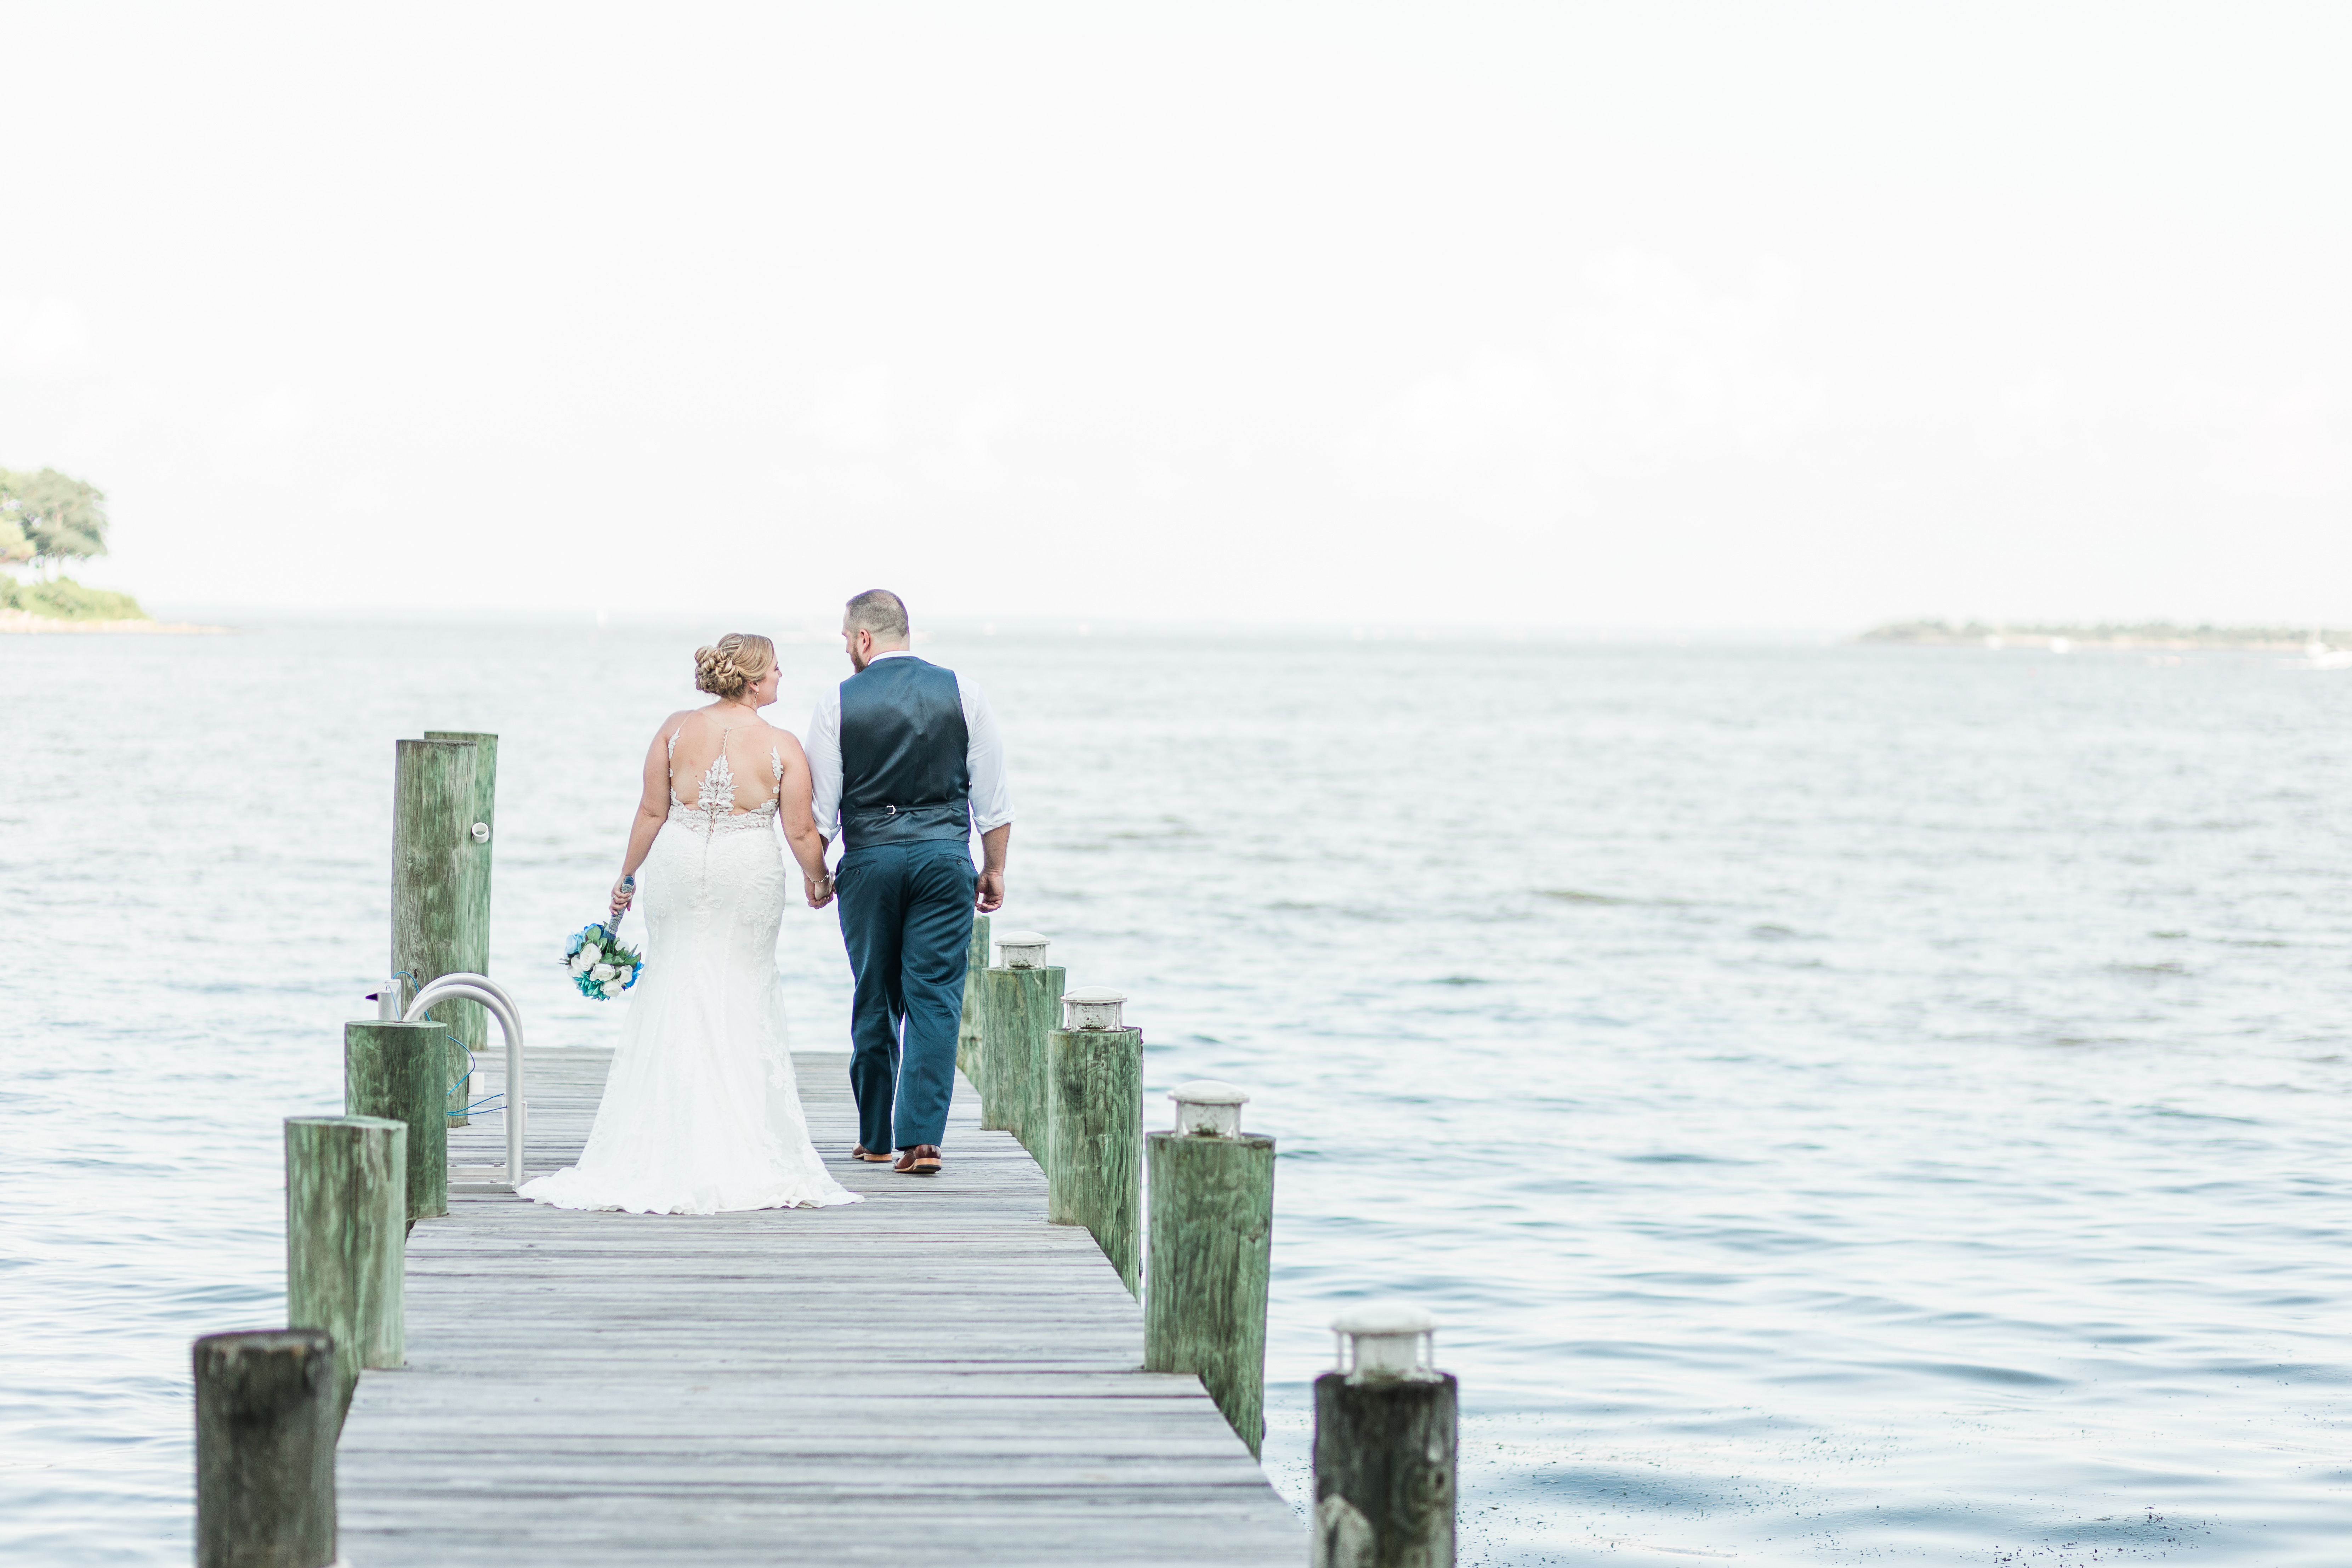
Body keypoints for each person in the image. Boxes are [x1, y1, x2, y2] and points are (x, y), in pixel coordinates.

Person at [519, 633, 859, 1214]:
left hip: (676, 865)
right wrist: (820, 881)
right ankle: (736, 1140)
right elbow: (801, 832)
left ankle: (663, 1136)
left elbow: (653, 810)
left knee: (674, 983)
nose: (782, 676)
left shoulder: (675, 729)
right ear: (753, 681)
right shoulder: (782, 745)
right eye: (776, 669)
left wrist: (626, 877)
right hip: (745, 871)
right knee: (740, 990)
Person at [805, 590, 1011, 1175]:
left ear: (864, 639)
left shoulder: (837, 702)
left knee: (874, 992)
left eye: (847, 639)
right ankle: (921, 1140)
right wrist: (992, 869)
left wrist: (817, 876)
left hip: (870, 861)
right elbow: (993, 800)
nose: (847, 648)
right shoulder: (965, 693)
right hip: (945, 860)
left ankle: (874, 1137)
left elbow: (821, 811)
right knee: (935, 996)